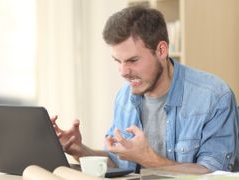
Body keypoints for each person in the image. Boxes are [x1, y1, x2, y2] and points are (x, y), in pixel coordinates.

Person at [51, 5, 239, 173]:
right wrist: (79, 150)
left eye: (133, 60)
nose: (123, 72)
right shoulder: (124, 98)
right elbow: (119, 163)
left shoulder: (213, 97)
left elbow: (214, 174)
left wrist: (149, 159)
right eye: (118, 61)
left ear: (161, 50)